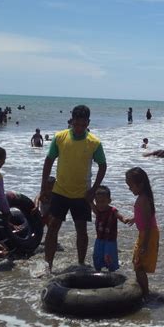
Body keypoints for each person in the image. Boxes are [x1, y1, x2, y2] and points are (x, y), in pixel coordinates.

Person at [40, 105, 107, 273]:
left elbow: (103, 166)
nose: (78, 128)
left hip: (82, 194)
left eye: (83, 125)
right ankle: (48, 264)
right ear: (71, 121)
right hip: (60, 191)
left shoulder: (94, 142)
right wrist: (44, 188)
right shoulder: (60, 138)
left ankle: (81, 263)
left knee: (81, 229)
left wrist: (94, 190)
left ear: (88, 123)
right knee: (53, 227)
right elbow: (48, 161)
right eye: (76, 124)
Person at [125, 167, 159, 299]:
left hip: (148, 235)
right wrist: (134, 219)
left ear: (140, 185)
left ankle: (146, 294)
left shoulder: (144, 200)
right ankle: (144, 291)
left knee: (139, 266)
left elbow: (149, 225)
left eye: (131, 186)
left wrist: (144, 245)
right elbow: (146, 217)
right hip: (145, 234)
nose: (129, 189)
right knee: (137, 263)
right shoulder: (142, 197)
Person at [92, 186, 129, 272]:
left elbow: (119, 216)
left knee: (109, 256)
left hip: (110, 239)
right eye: (98, 202)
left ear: (109, 201)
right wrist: (89, 200)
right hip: (99, 238)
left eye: (103, 202)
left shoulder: (113, 211)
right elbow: (91, 204)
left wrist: (124, 219)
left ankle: (112, 272)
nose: (100, 204)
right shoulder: (98, 210)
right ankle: (98, 271)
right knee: (97, 256)